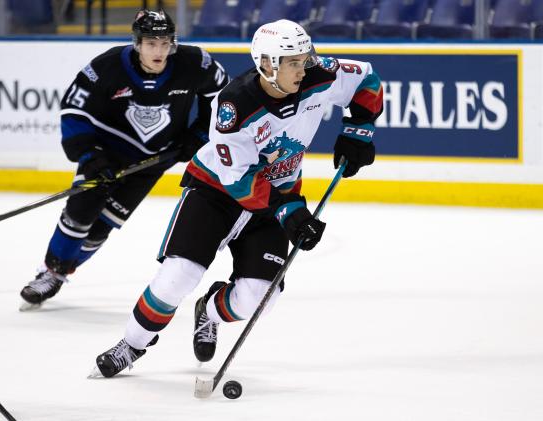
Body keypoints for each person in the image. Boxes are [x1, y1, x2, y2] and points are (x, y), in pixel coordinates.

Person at [91, 19, 383, 378]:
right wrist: (289, 211)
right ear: (267, 65)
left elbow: (367, 79)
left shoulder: (318, 73)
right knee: (177, 276)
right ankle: (132, 344)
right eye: (293, 62)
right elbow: (239, 180)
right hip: (217, 192)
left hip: (275, 200)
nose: (304, 67)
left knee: (259, 297)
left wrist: (359, 130)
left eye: (306, 58)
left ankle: (209, 312)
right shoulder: (234, 106)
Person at [19, 9, 229, 310]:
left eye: (165, 43)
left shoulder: (194, 62)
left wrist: (197, 137)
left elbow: (223, 98)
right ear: (137, 44)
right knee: (82, 209)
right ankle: (51, 272)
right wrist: (89, 156)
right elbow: (73, 110)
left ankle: (63, 269)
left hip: (154, 159)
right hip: (107, 152)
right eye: (151, 43)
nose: (159, 51)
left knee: (103, 226)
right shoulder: (108, 65)